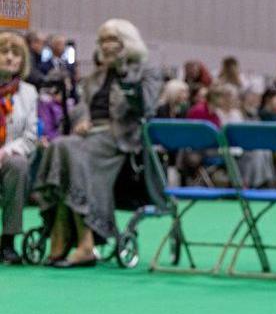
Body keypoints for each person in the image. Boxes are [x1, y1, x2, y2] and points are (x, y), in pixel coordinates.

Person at [33, 19, 161, 267]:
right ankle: (74, 235)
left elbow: (147, 107)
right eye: (102, 40)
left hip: (121, 140)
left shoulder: (146, 71)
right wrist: (83, 119)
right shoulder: (96, 76)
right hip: (91, 135)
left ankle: (80, 239)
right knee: (61, 145)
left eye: (112, 39)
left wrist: (125, 76)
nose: (106, 45)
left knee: (68, 149)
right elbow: (81, 107)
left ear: (127, 41)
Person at [1, 32, 39, 264]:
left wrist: (6, 151)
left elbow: (31, 136)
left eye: (15, 54)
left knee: (18, 165)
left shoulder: (29, 93)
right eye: (4, 52)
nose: (9, 58)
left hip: (9, 157)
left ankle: (7, 241)